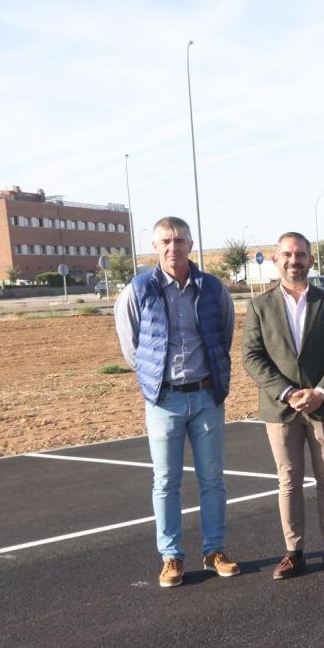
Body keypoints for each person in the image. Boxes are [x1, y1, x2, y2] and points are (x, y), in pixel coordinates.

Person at [114, 216, 240, 586]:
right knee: (166, 482)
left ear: (190, 244)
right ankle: (171, 556)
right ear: (155, 247)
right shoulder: (138, 290)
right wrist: (155, 379)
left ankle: (214, 550)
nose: (173, 248)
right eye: (166, 241)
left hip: (205, 396)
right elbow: (131, 348)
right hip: (164, 400)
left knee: (213, 480)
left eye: (180, 241)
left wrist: (209, 378)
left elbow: (224, 334)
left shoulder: (212, 288)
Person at [242, 231, 324, 579]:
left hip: (323, 405)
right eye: (287, 255)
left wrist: (320, 391)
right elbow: (251, 356)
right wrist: (287, 392)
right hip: (281, 409)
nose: (294, 261)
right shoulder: (259, 306)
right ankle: (293, 552)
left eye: (301, 255)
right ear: (276, 260)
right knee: (289, 481)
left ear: (311, 260)